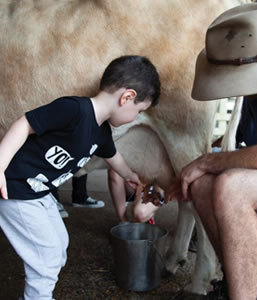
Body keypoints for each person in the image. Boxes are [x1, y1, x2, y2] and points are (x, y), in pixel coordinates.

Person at [167, 3, 257, 300]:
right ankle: (233, 284)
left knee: (233, 186)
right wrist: (187, 171)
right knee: (202, 185)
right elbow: (250, 151)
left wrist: (206, 161)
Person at [0, 55, 160, 300]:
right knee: (47, 256)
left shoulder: (102, 131)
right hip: (16, 189)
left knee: (60, 245)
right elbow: (24, 124)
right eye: (139, 111)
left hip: (40, 193)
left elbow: (114, 158)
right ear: (127, 97)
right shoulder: (74, 109)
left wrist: (132, 177)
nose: (136, 117)